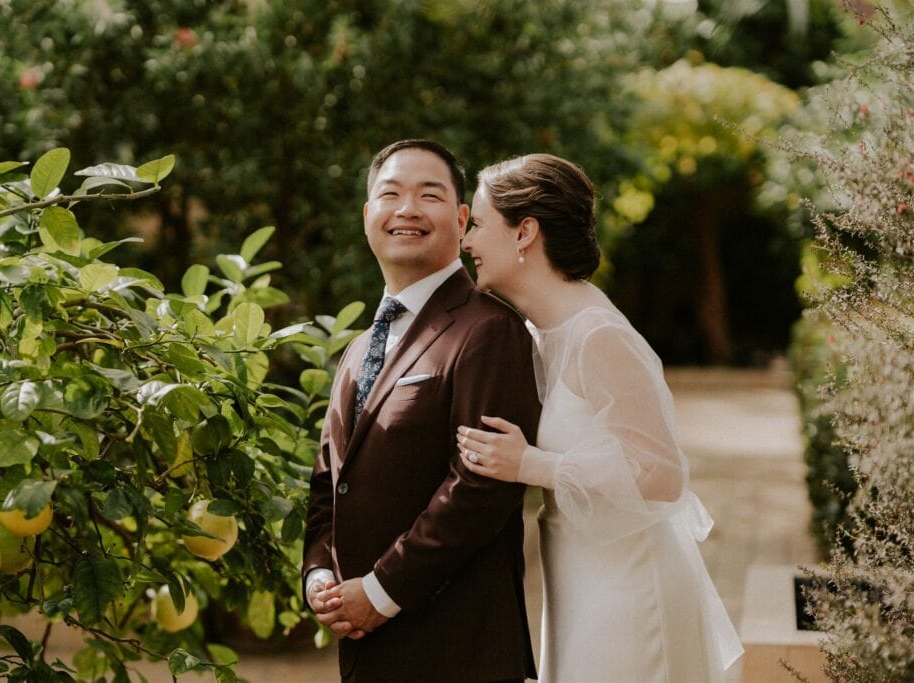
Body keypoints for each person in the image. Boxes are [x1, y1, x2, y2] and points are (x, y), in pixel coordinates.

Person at [456, 153, 744, 682]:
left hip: (629, 592)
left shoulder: (598, 337)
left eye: (476, 223)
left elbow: (662, 475)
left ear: (525, 232)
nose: (467, 241)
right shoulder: (541, 332)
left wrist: (532, 466)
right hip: (577, 578)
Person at [303, 139, 542, 682]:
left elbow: (481, 488)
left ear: (462, 219)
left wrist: (381, 591)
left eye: (428, 195)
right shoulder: (361, 347)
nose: (407, 209)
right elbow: (329, 484)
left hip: (457, 651)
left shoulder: (489, 330)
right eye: (390, 194)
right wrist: (320, 573)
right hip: (368, 651)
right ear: (368, 216)